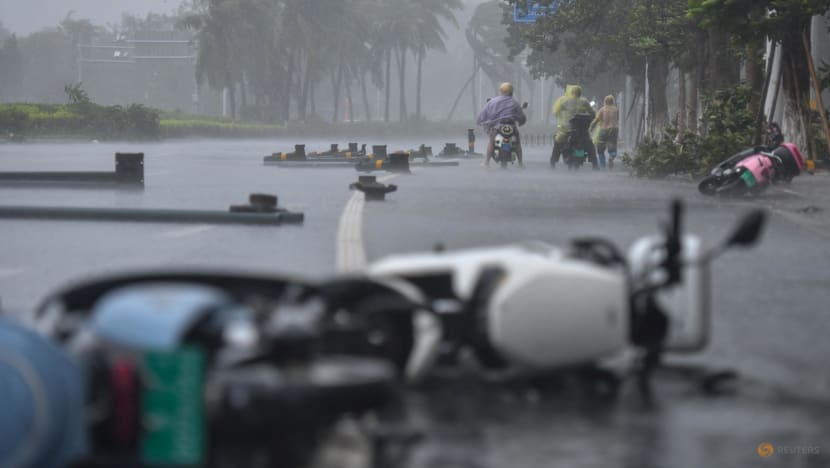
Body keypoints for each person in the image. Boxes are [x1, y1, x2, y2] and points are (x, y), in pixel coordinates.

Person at [476, 82, 527, 168]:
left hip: (497, 127)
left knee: (491, 142)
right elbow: (521, 116)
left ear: (501, 91)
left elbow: (483, 114)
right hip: (512, 127)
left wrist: (480, 121)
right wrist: (521, 122)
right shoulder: (514, 103)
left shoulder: (492, 102)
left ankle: (486, 162)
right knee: (517, 143)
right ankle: (520, 163)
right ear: (511, 91)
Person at [550, 85, 597, 169]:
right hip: (582, 131)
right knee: (590, 146)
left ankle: (553, 162)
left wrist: (560, 115)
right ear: (580, 92)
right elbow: (592, 113)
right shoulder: (584, 101)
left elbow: (556, 111)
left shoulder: (564, 100)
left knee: (557, 143)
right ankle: (595, 164)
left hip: (565, 130)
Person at [590, 95, 620, 170]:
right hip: (614, 129)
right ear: (612, 101)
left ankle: (602, 165)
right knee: (612, 146)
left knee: (600, 149)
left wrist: (591, 128)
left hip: (604, 130)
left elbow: (596, 120)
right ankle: (611, 157)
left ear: (605, 101)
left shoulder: (602, 109)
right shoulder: (616, 109)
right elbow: (617, 119)